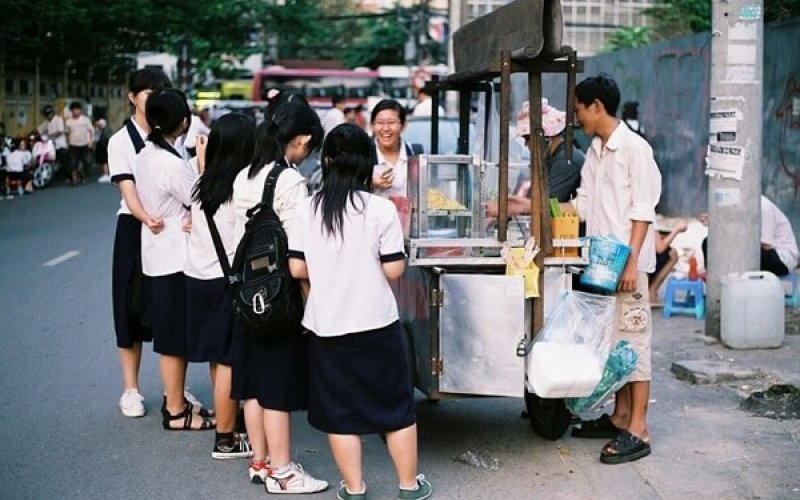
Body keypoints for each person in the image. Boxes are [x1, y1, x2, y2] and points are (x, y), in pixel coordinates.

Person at [288, 123, 432, 500]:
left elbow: (297, 269)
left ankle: (354, 488)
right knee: (396, 407)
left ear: (328, 161)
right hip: (376, 323)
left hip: (326, 325)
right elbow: (394, 269)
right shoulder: (380, 209)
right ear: (367, 163)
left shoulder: (306, 209)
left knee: (340, 412)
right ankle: (408, 485)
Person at [230, 94, 328, 493]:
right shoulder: (290, 181)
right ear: (302, 139)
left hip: (246, 293)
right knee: (277, 388)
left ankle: (260, 462)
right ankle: (284, 472)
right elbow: (297, 260)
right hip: (279, 297)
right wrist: (311, 299)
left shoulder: (244, 175)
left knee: (253, 383)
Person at [569, 74, 662, 465]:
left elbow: (643, 208)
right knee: (614, 344)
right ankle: (620, 416)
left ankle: (638, 429)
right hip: (602, 264)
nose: (577, 117)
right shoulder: (595, 150)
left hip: (629, 266)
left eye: (578, 109)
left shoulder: (634, 149)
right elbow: (584, 206)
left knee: (635, 343)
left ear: (596, 106)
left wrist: (630, 261)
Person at [135, 87, 214, 431]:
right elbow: (203, 200)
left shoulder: (145, 155)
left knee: (170, 335)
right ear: (183, 122)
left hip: (156, 254)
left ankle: (176, 402)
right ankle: (177, 409)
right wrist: (204, 164)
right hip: (176, 258)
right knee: (174, 336)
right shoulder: (173, 164)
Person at [187, 112, 257, 457]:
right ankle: (227, 438)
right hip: (226, 283)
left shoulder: (201, 184)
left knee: (219, 359)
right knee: (229, 360)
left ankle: (231, 424)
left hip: (198, 280)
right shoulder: (242, 189)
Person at [108, 67, 170, 418]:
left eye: (161, 90)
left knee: (168, 306)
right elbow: (127, 189)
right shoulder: (121, 141)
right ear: (132, 96)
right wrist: (145, 216)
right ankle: (130, 389)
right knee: (128, 308)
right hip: (134, 227)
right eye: (147, 91)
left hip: (170, 229)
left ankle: (173, 388)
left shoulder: (174, 133)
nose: (154, 96)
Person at [485, 98, 585, 218]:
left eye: (528, 138)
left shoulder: (567, 159)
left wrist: (520, 206)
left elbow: (546, 206)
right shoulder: (552, 157)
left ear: (546, 137)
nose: (526, 145)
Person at [700, 195, 798, 277]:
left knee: (742, 254)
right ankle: (712, 278)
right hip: (760, 251)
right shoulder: (741, 207)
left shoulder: (763, 207)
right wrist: (718, 221)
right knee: (710, 242)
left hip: (781, 258)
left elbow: (765, 245)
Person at [370, 99, 414, 199]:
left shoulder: (414, 153)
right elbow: (347, 187)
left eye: (391, 122)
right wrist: (369, 182)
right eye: (380, 123)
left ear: (403, 126)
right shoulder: (363, 153)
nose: (385, 128)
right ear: (372, 126)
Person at [648, 221, 689, 305]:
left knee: (672, 252)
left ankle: (651, 290)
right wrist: (676, 230)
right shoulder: (647, 212)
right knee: (671, 254)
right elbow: (660, 248)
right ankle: (651, 293)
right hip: (639, 256)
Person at [65, 101, 95, 185]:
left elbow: (91, 130)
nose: (75, 111)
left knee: (87, 161)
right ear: (71, 111)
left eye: (77, 110)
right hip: (73, 144)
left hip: (84, 144)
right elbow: (67, 133)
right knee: (72, 162)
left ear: (80, 110)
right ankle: (75, 179)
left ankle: (82, 174)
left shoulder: (85, 120)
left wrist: (91, 141)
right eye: (74, 110)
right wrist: (67, 142)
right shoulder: (68, 121)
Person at [38, 104, 68, 169]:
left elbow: (60, 131)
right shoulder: (46, 122)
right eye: (47, 115)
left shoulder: (58, 119)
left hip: (60, 145)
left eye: (49, 113)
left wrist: (49, 136)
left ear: (52, 112)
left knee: (63, 158)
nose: (48, 116)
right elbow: (39, 129)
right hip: (50, 144)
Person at [95, 118, 112, 183]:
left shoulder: (105, 131)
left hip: (104, 147)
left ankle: (106, 174)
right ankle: (104, 174)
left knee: (104, 161)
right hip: (102, 147)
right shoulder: (100, 130)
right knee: (102, 161)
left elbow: (104, 139)